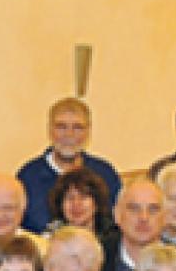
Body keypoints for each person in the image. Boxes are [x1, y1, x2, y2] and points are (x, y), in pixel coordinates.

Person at [18, 97, 123, 233]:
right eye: (61, 127)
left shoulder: (105, 174)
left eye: (78, 127)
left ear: (88, 131)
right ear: (49, 130)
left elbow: (118, 224)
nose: (69, 134)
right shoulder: (28, 177)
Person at [48, 166, 116, 241]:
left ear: (97, 203)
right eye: (70, 198)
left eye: (83, 197)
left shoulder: (114, 237)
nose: (76, 204)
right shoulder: (52, 236)